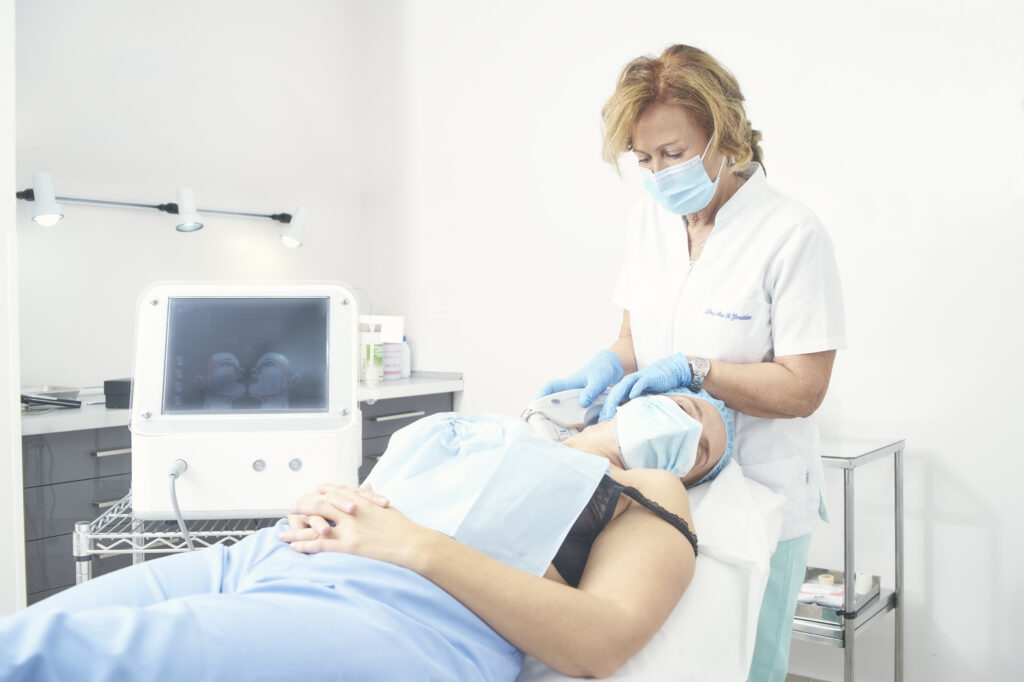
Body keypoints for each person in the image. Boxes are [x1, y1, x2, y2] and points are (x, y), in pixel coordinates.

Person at [0, 390, 731, 682]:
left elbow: (600, 641)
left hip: (400, 618)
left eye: (703, 445)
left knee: (65, 659)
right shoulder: (513, 427)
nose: (687, 425)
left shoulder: (647, 489)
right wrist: (330, 500)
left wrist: (416, 544)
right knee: (23, 636)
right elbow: (383, 496)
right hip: (269, 553)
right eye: (687, 405)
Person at [539, 44, 845, 682]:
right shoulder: (647, 222)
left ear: (723, 136)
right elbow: (633, 337)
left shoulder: (791, 233)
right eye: (643, 159)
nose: (657, 174)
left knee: (750, 664)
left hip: (762, 488)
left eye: (673, 153)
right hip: (664, 486)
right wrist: (607, 364)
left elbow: (804, 388)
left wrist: (697, 370)